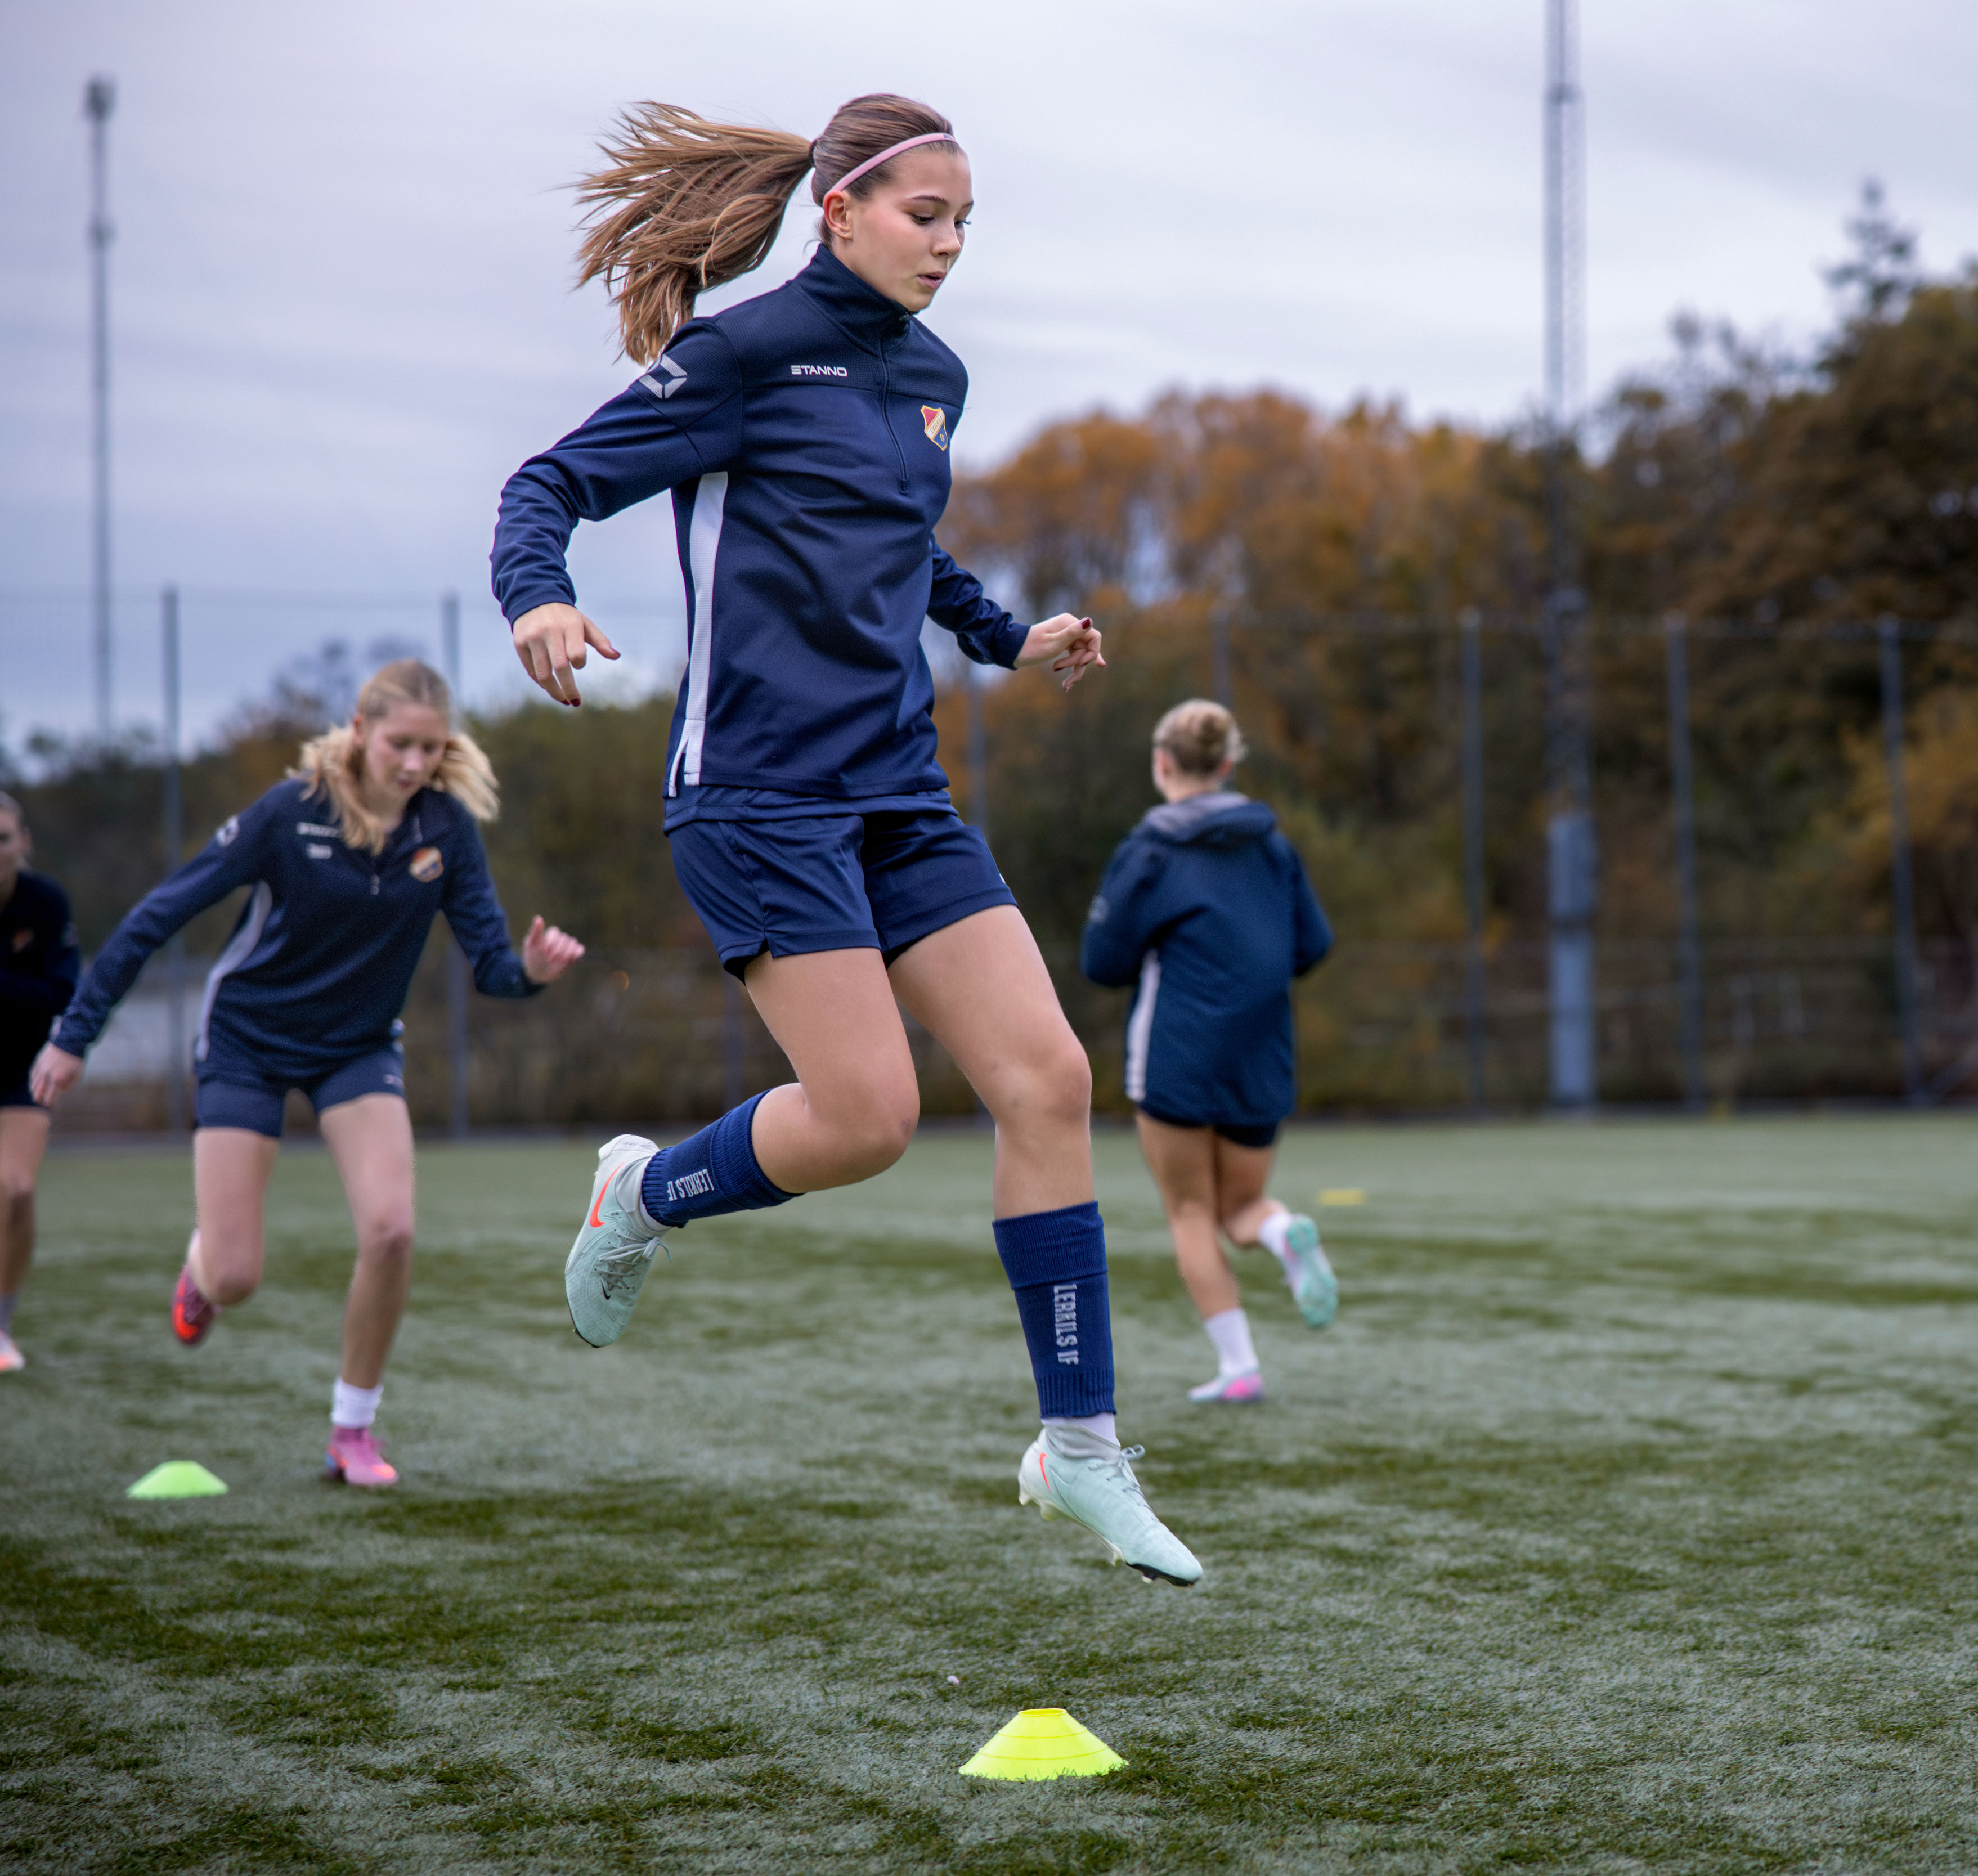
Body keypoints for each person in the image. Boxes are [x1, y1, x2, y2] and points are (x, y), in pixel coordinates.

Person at [490, 95, 1200, 1585]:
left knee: (1050, 1077)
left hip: (897, 789)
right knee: (868, 1116)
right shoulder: (744, 354)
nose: (948, 245)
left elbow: (900, 541)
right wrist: (538, 596)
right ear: (840, 211)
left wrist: (1010, 634)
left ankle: (1081, 1451)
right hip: (756, 795)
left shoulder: (932, 374)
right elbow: (546, 482)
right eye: (923, 216)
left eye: (964, 222)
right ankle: (644, 1190)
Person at [33, 662, 581, 1483]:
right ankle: (201, 1270)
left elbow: (492, 968)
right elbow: (157, 916)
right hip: (247, 1040)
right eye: (400, 743)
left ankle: (352, 1430)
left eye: (432, 749)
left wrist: (532, 969)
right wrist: (76, 1037)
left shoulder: (447, 829)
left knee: (393, 1231)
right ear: (360, 730)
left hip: (357, 1047)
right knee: (237, 1274)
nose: (415, 764)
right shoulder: (289, 814)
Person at [1083, 700, 1336, 1406]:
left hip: (1177, 1053)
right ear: (1227, 766)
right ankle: (1282, 1232)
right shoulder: (1272, 846)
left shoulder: (1150, 850)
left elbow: (1101, 961)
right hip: (1262, 1051)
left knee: (1192, 1212)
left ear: (1163, 763)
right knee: (1242, 1205)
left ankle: (1240, 1367)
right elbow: (1312, 945)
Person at [0, 795, 80, 1374]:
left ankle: (0, 1325)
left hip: (19, 1067)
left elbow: (61, 994)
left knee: (16, 1190)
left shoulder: (46, 903)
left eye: (3, 837)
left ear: (23, 841)